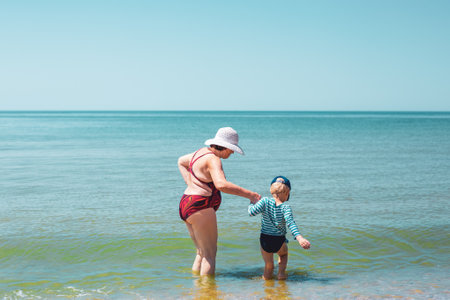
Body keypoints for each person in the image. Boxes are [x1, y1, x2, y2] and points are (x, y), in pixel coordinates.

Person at [178, 127, 261, 276]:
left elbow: (181, 162)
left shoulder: (200, 153)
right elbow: (221, 184)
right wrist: (251, 195)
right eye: (232, 149)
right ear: (225, 147)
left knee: (201, 252)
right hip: (200, 207)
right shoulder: (213, 159)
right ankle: (208, 294)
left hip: (186, 203)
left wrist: (191, 184)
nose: (232, 152)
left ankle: (197, 289)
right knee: (210, 255)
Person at [248, 176, 311, 280]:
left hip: (265, 239)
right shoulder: (286, 207)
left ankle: (267, 284)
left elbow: (251, 213)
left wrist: (252, 202)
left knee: (268, 265)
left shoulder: (264, 201)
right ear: (287, 193)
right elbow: (291, 223)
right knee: (283, 255)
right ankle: (281, 274)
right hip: (279, 240)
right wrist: (299, 238)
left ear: (271, 191)